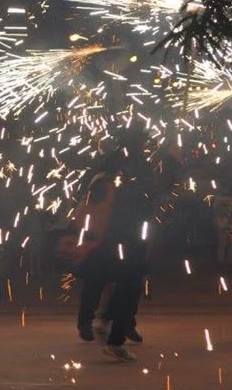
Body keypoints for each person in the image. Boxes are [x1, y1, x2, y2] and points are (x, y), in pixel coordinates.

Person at [65, 129, 176, 360]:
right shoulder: (141, 166)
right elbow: (150, 198)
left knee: (104, 278)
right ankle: (111, 329)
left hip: (105, 235)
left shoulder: (108, 162)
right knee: (130, 282)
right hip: (128, 233)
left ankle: (99, 322)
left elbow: (86, 191)